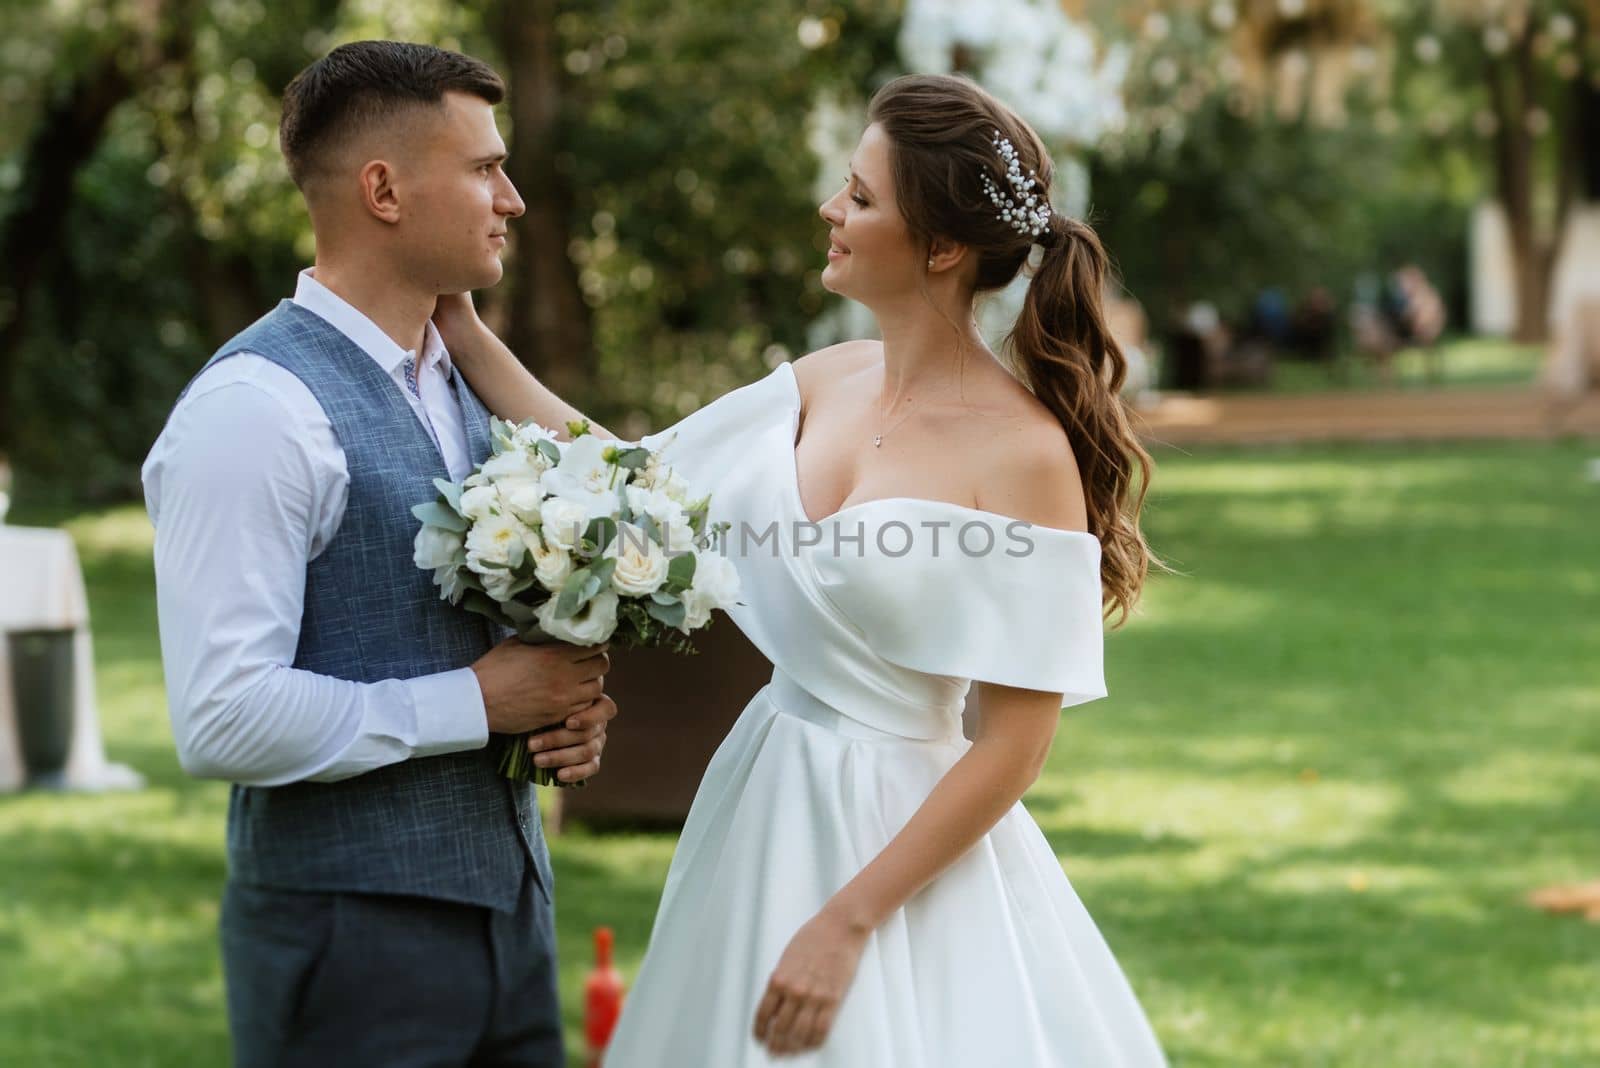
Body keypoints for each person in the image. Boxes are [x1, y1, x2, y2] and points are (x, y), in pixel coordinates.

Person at [440, 73, 1167, 1064]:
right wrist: (465, 334)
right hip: (763, 789)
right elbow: (630, 487)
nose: (832, 210)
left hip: (894, 842)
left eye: (862, 198)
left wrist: (848, 920)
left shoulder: (1024, 455)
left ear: (942, 248)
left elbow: (1011, 747)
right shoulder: (823, 381)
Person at [142, 42, 618, 1066]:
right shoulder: (254, 411)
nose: (516, 198)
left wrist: (558, 712)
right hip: (348, 936)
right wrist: (477, 703)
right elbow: (222, 717)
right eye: (484, 168)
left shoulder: (461, 386)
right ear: (384, 190)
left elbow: (633, 503)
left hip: (510, 916)